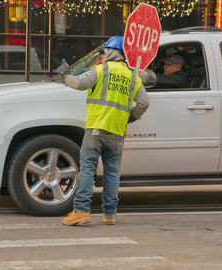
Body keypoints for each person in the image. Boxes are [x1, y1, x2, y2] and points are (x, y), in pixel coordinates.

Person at [56, 36, 149, 226]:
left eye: (103, 52)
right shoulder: (133, 76)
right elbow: (144, 102)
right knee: (112, 173)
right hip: (116, 131)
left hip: (96, 129)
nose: (102, 56)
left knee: (87, 171)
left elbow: (79, 84)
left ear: (110, 52)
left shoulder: (102, 70)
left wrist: (65, 76)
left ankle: (81, 211)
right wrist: (130, 117)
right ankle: (110, 214)